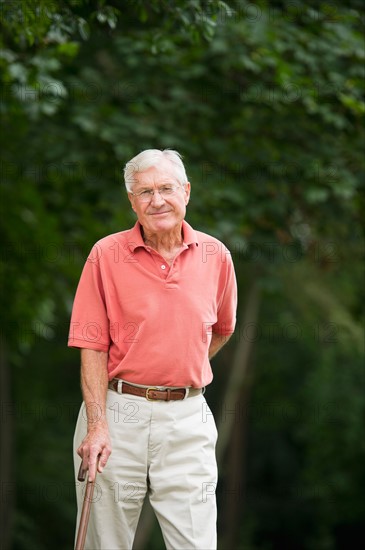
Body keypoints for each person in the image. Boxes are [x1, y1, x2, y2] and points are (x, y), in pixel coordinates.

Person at [68, 149, 237, 549]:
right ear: (131, 201)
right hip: (116, 412)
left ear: (187, 192)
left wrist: (176, 371)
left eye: (166, 188)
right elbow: (91, 345)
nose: (156, 200)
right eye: (144, 191)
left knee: (196, 543)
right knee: (104, 542)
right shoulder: (105, 255)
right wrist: (97, 426)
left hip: (188, 417)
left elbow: (223, 330)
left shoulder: (216, 256)